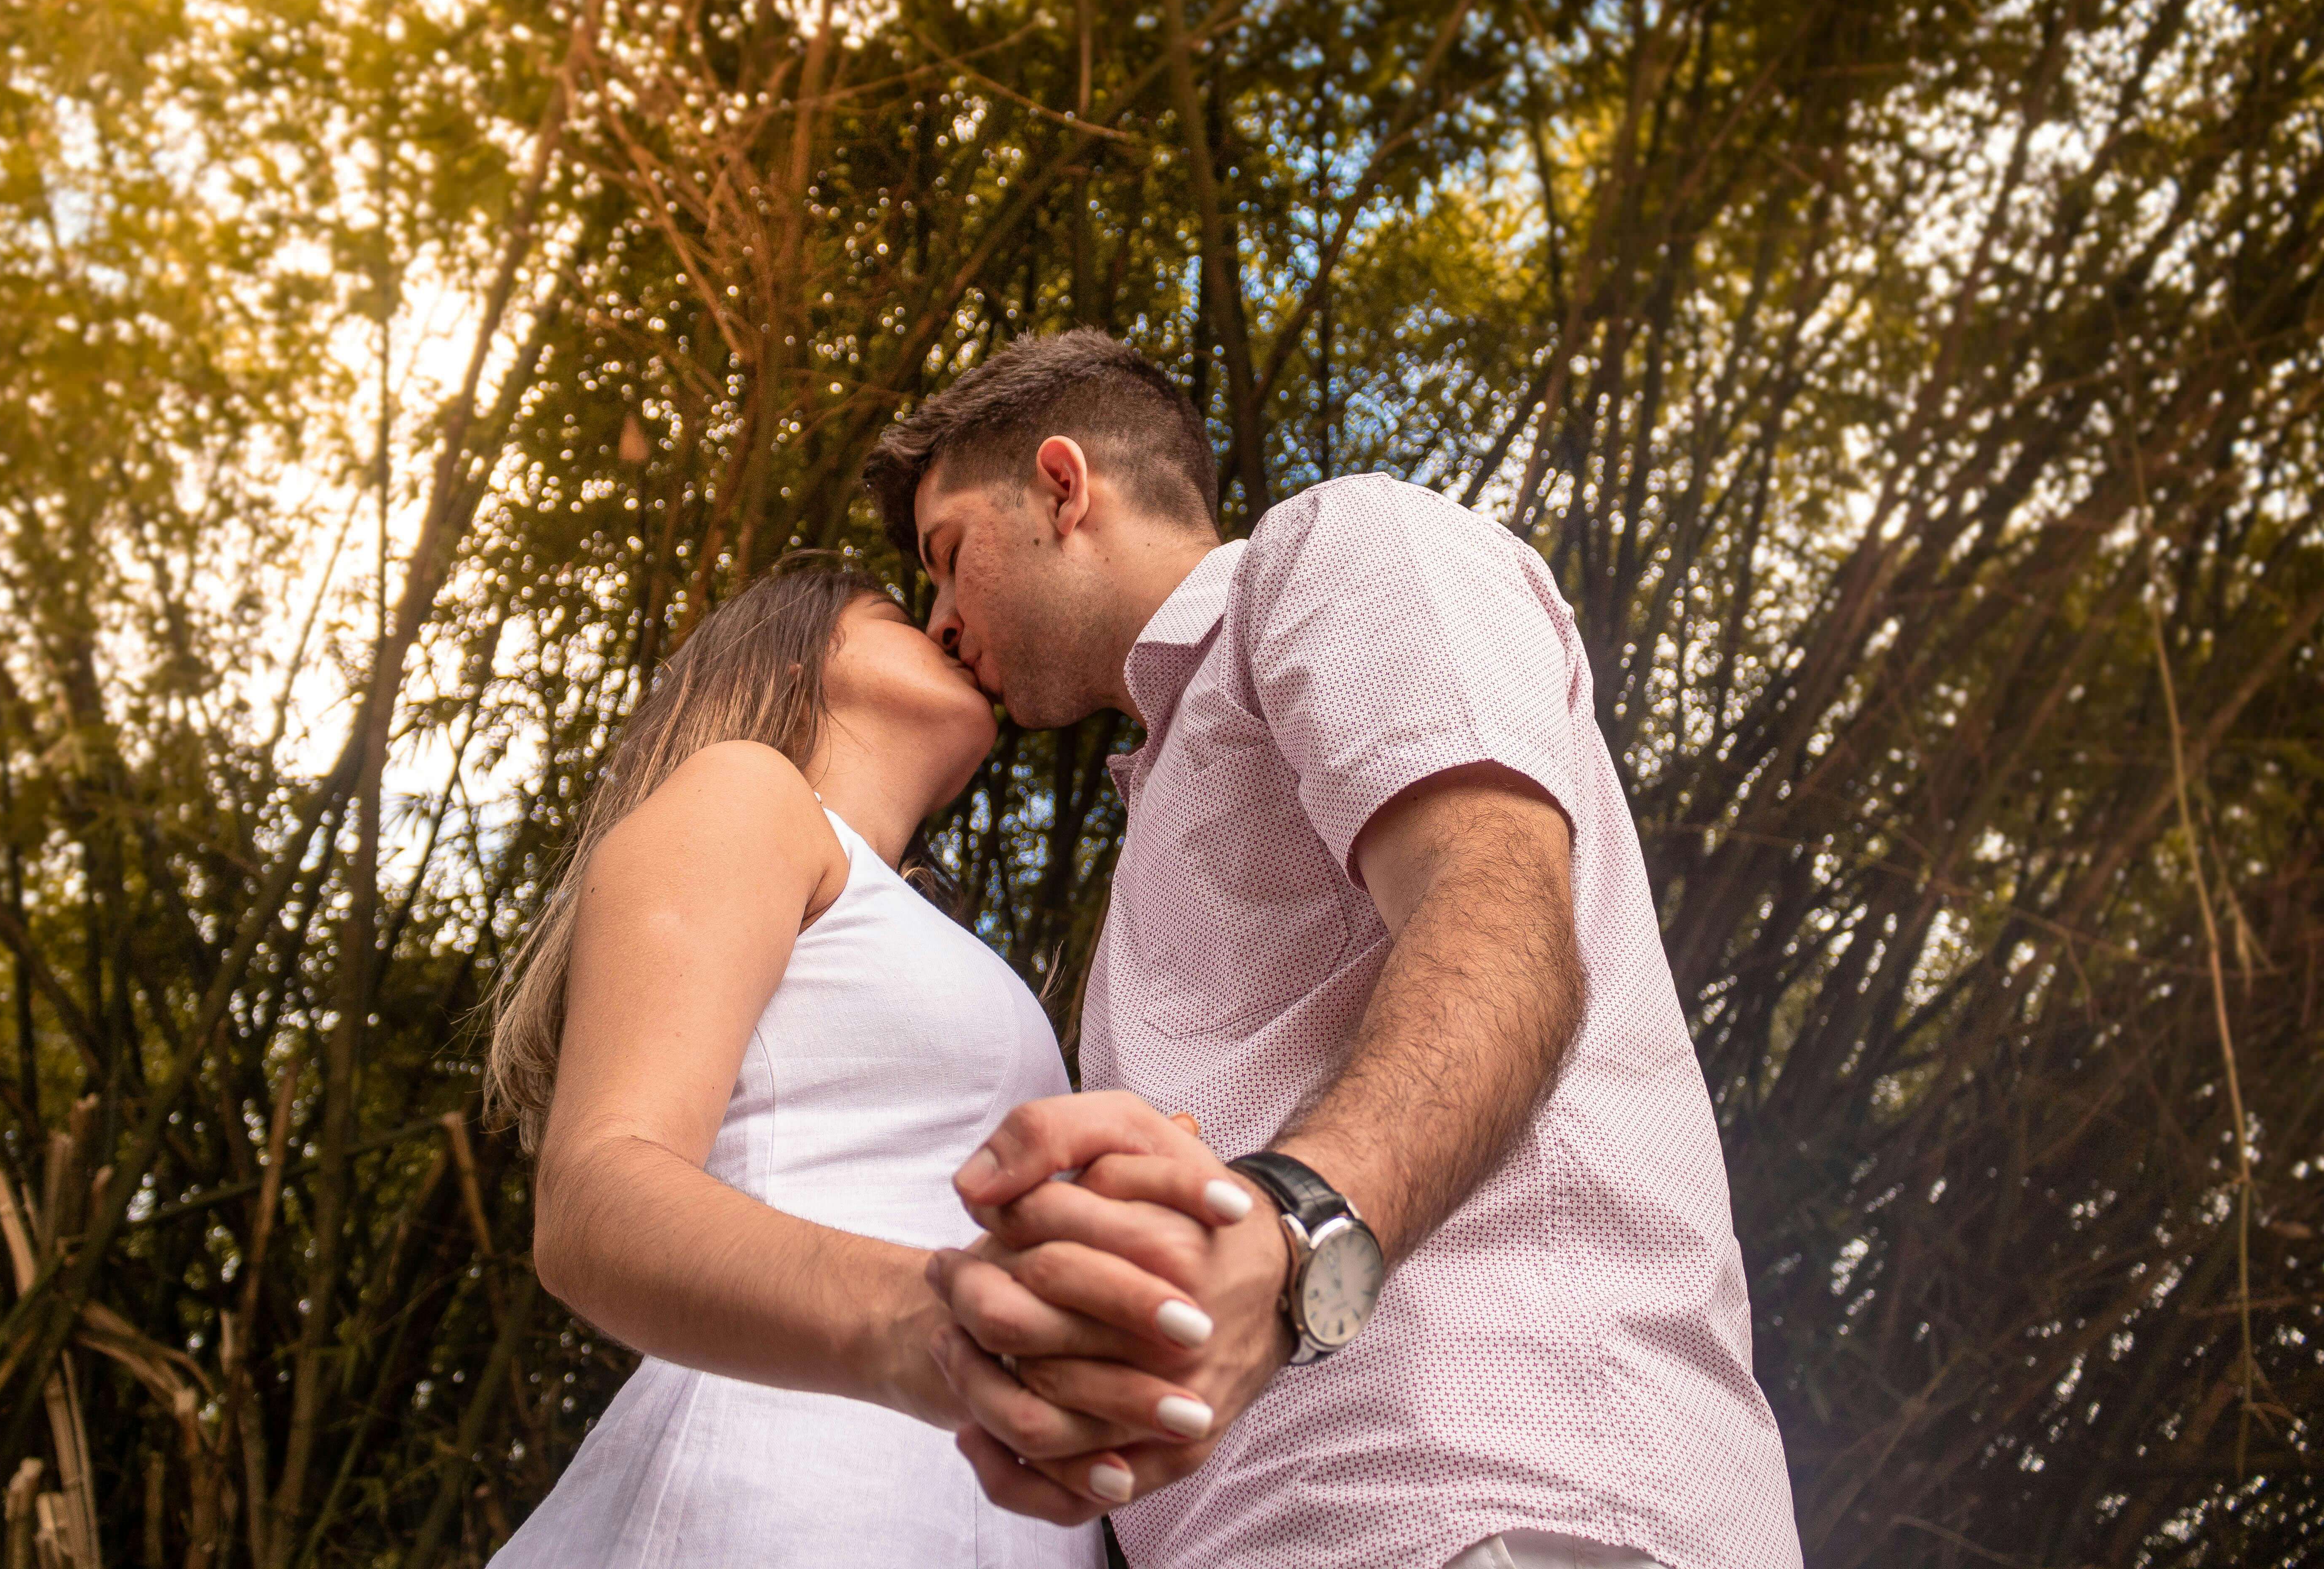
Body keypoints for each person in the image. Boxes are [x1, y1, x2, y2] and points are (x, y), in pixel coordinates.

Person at [862, 331, 1805, 1569]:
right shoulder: (1157, 831)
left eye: (945, 560)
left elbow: (1500, 917)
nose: (938, 622)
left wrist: (1297, 1234)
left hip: (1498, 1495)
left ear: (1062, 484)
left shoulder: (1339, 548)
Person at [483, 562, 1202, 1568]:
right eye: (906, 613)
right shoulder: (749, 791)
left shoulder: (927, 928)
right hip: (782, 1485)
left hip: (986, 1517)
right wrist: (926, 1320)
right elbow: (597, 1190)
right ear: (799, 651)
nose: (953, 625)